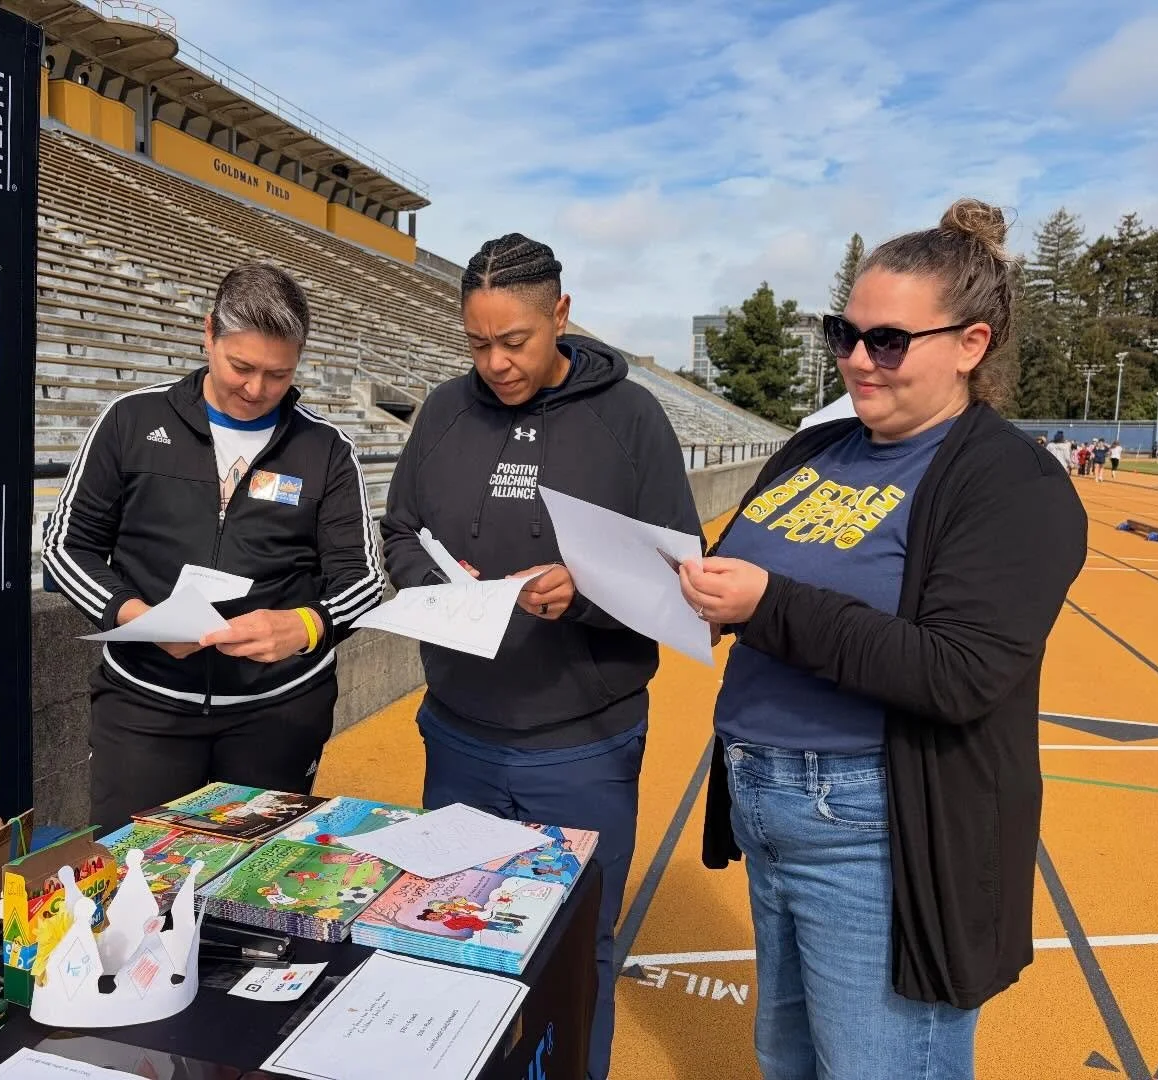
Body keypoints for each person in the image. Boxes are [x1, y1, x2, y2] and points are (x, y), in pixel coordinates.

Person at [680, 200, 1086, 1079]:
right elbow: (738, 579)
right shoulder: (815, 449)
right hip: (765, 801)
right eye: (845, 333)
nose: (857, 359)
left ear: (970, 345)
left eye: (889, 341)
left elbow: (960, 672)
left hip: (878, 826)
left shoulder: (1010, 482)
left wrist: (767, 605)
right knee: (787, 1058)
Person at [379, 233, 700, 1080]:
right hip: (459, 737)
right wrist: (443, 583)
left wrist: (581, 590)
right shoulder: (443, 411)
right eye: (477, 343)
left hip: (583, 747)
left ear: (560, 314)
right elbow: (399, 532)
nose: (496, 364)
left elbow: (679, 570)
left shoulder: (632, 418)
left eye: (514, 341)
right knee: (452, 936)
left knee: (575, 947)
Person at [44, 262, 386, 830]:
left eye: (278, 374)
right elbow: (65, 547)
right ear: (209, 334)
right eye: (241, 367)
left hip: (279, 714)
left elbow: (363, 579)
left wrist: (305, 625)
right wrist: (137, 617)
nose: (256, 390)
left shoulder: (325, 449)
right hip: (144, 709)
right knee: (135, 868)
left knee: (256, 875)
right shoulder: (130, 420)